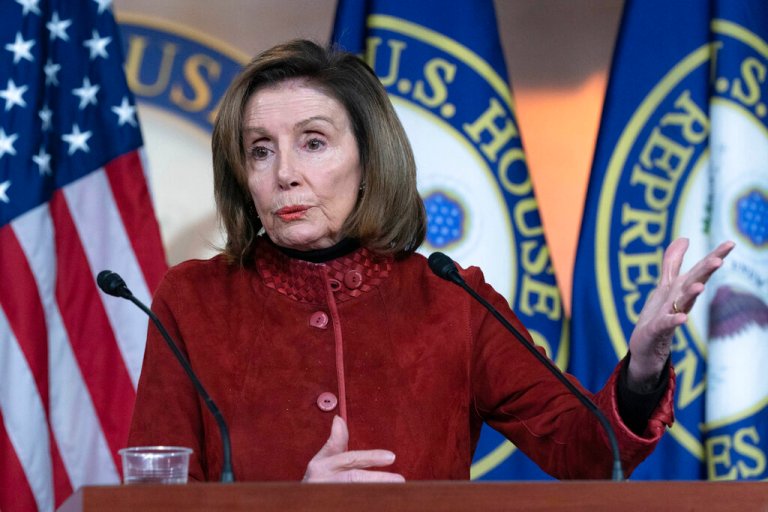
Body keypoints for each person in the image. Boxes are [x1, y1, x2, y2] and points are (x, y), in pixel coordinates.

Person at [127, 39, 734, 482]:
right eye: (261, 151)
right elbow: (154, 497)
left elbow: (590, 452)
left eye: (313, 143)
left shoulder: (450, 300)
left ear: (369, 160)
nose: (285, 173)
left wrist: (646, 365)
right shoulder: (193, 301)